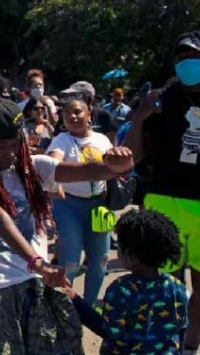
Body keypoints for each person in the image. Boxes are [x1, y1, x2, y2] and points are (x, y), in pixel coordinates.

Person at [0, 98, 135, 354]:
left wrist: (117, 166)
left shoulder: (33, 168)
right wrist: (38, 262)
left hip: (36, 283)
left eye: (15, 144)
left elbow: (89, 171)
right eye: (0, 146)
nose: (10, 152)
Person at [125, 31, 200, 355]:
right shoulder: (161, 98)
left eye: (193, 57)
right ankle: (167, 342)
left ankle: (189, 348)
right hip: (164, 203)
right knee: (165, 287)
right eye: (180, 58)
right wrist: (140, 116)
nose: (186, 63)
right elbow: (132, 156)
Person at [63, 209, 188, 355]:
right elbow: (182, 328)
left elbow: (109, 330)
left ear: (131, 256)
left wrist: (75, 300)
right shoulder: (177, 287)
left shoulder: (122, 289)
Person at [47, 96, 114, 305]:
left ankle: (89, 306)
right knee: (71, 263)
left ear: (89, 114)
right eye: (67, 114)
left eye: (77, 112)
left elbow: (115, 167)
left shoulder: (102, 140)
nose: (72, 117)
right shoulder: (61, 140)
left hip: (99, 207)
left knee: (99, 262)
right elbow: (53, 161)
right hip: (68, 206)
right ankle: (64, 304)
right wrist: (54, 172)